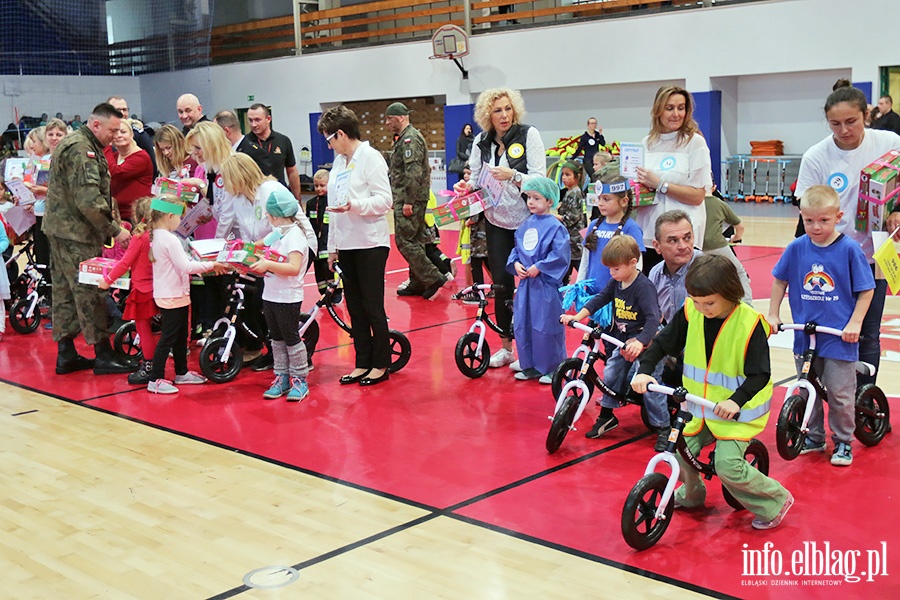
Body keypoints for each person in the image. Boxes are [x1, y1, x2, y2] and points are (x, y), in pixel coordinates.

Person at [633, 254, 794, 530]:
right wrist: (645, 369)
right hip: (699, 407)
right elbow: (662, 343)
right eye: (696, 301)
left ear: (730, 293)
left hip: (736, 412)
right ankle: (693, 495)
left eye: (709, 302)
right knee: (681, 452)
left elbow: (760, 375)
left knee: (727, 466)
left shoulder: (750, 325)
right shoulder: (691, 311)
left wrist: (736, 401)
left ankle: (775, 500)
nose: (702, 308)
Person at [795, 79, 900, 387]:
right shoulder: (817, 156)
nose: (843, 130)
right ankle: (824, 395)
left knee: (868, 331)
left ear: (866, 114)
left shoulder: (890, 143)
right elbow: (805, 210)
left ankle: (865, 399)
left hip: (873, 253)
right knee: (824, 329)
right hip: (831, 259)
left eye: (851, 121)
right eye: (835, 124)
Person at [768, 185, 875, 467]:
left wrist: (854, 323)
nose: (816, 227)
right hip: (804, 335)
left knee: (840, 394)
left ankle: (843, 441)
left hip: (839, 337)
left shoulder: (849, 249)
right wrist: (773, 314)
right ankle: (814, 436)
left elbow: (866, 290)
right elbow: (780, 280)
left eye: (824, 220)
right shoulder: (796, 248)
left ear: (838, 216)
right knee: (807, 388)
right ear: (801, 217)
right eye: (809, 220)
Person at [453, 88, 546, 369]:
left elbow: (539, 180)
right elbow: (476, 179)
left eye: (508, 109)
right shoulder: (481, 141)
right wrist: (465, 187)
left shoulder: (529, 134)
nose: (504, 115)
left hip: (530, 222)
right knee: (502, 287)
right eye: (497, 111)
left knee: (533, 285)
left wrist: (514, 175)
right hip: (495, 222)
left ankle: (536, 351)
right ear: (487, 116)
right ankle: (506, 348)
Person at [42, 102, 135, 376]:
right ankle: (103, 354)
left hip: (62, 229)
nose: (116, 136)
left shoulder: (77, 143)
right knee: (91, 291)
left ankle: (66, 353)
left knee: (64, 292)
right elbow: (89, 201)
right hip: (76, 233)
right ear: (96, 125)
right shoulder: (83, 150)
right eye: (112, 130)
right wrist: (115, 230)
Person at [561, 235, 668, 448]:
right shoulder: (616, 282)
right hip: (624, 340)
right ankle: (607, 415)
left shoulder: (642, 286)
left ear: (633, 263)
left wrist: (641, 341)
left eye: (616, 269)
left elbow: (653, 319)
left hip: (647, 340)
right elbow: (600, 299)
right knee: (611, 373)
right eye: (610, 269)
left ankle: (663, 426)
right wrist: (577, 317)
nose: (612, 273)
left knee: (647, 382)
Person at [317, 105, 393, 387]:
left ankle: (381, 363)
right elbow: (333, 209)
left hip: (370, 243)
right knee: (355, 307)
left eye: (329, 139)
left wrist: (356, 205)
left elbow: (385, 201)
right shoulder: (339, 163)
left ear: (341, 133)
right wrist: (332, 247)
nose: (329, 145)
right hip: (347, 244)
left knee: (372, 306)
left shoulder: (370, 158)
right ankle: (362, 362)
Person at [147, 195, 227, 393]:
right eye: (180, 217)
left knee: (181, 335)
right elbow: (185, 266)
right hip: (172, 295)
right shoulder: (169, 240)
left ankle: (181, 372)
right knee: (169, 337)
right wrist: (212, 265)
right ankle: (155, 378)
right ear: (169, 216)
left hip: (174, 293)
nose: (181, 222)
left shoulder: (158, 236)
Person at [635, 85, 712, 273]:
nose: (676, 114)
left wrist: (660, 185)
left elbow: (697, 196)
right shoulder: (647, 143)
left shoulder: (695, 142)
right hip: (650, 234)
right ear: (658, 110)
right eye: (670, 108)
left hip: (681, 238)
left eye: (681, 107)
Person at [250, 186, 311, 401]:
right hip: (271, 295)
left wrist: (267, 264)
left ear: (275, 215)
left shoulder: (294, 236)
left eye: (268, 213)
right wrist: (241, 251)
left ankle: (299, 379)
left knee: (291, 338)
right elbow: (257, 246)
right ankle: (281, 375)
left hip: (287, 297)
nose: (266, 216)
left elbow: (293, 268)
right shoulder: (278, 232)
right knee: (276, 338)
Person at [507, 176, 570, 382]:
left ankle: (553, 368)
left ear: (550, 201)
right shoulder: (526, 224)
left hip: (545, 286)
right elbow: (517, 250)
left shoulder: (555, 227)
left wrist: (539, 267)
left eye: (537, 198)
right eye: (529, 198)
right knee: (524, 324)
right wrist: (516, 264)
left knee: (546, 325)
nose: (531, 202)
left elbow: (560, 255)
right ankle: (530, 365)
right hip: (526, 285)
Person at [385, 101, 446, 300]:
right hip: (407, 197)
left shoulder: (410, 139)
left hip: (410, 199)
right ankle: (418, 282)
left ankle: (433, 277)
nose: (387, 123)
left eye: (390, 119)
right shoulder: (404, 138)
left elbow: (414, 172)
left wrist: (408, 201)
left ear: (400, 118)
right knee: (416, 240)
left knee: (404, 241)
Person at [98, 197, 158, 385]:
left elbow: (125, 263)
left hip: (142, 290)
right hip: (159, 288)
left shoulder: (139, 238)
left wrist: (107, 280)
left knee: (144, 328)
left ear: (136, 216)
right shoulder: (160, 235)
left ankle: (149, 365)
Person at [647, 210, 701, 325]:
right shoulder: (655, 274)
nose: (683, 246)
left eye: (687, 238)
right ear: (657, 246)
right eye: (673, 241)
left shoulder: (708, 268)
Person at [702, 192, 752, 304]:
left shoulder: (690, 202)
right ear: (713, 187)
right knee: (739, 272)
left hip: (696, 247)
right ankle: (747, 304)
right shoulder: (718, 203)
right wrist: (735, 238)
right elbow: (740, 227)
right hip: (717, 245)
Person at [246, 103, 301, 199]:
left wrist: (297, 198)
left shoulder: (283, 140)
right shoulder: (245, 143)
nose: (253, 124)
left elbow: (291, 171)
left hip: (280, 195)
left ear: (268, 119)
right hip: (255, 197)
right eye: (250, 120)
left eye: (257, 120)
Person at [104, 118, 153, 223]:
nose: (118, 135)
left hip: (136, 216)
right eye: (115, 132)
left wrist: (106, 147)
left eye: (123, 132)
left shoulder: (141, 157)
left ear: (131, 135)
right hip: (117, 215)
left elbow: (116, 173)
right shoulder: (114, 157)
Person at [306, 169, 340, 302]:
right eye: (316, 185)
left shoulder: (333, 201)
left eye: (322, 185)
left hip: (328, 243)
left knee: (329, 269)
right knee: (319, 271)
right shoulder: (310, 203)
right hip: (316, 245)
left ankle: (336, 292)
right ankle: (323, 293)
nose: (319, 188)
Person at [107, 96, 157, 177]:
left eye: (124, 110)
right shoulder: (101, 137)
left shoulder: (140, 136)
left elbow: (153, 168)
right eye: (117, 110)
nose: (122, 113)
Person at [213, 110, 273, 178]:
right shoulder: (223, 152)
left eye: (215, 132)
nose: (213, 136)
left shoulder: (254, 152)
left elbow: (265, 180)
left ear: (226, 131)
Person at [555, 160, 586, 283]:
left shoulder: (574, 193)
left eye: (568, 175)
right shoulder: (571, 192)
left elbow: (571, 218)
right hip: (572, 240)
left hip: (574, 240)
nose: (564, 178)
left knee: (577, 268)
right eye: (563, 174)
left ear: (577, 176)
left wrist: (555, 217)